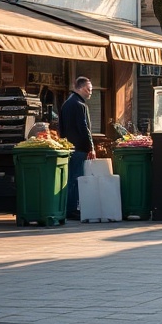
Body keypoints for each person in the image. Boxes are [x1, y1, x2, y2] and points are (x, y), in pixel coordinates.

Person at [58, 76, 96, 220]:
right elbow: (84, 128)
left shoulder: (66, 104)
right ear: (79, 88)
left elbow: (61, 126)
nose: (90, 92)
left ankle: (68, 207)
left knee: (70, 178)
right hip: (79, 148)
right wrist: (90, 147)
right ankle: (72, 209)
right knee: (76, 178)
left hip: (68, 147)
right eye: (88, 89)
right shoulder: (80, 105)